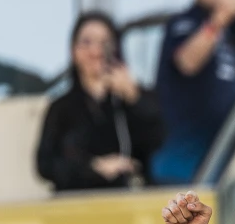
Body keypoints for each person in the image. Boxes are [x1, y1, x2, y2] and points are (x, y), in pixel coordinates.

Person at [150, 0, 235, 185]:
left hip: (219, 170)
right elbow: (187, 61)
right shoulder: (183, 24)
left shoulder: (227, 35)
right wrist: (218, 21)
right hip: (181, 173)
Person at [35, 12, 164, 192]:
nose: (96, 51)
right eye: (86, 42)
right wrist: (94, 167)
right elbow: (45, 165)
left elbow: (158, 140)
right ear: (73, 51)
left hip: (127, 203)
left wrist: (134, 98)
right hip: (75, 206)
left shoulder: (132, 98)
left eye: (105, 43)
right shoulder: (61, 108)